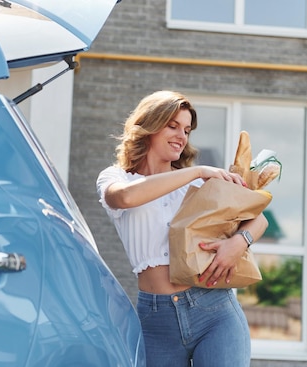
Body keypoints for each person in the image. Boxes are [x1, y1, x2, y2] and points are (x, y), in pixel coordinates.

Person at [96, 90, 268, 367]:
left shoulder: (198, 186)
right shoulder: (116, 177)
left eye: (187, 130)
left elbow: (258, 218)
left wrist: (238, 243)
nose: (181, 136)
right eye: (173, 126)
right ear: (149, 127)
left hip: (213, 310)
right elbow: (124, 198)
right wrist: (198, 171)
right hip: (156, 320)